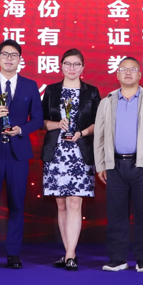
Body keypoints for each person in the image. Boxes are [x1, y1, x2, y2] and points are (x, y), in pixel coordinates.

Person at [93, 57, 143, 272]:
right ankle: (117, 259)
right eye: (123, 69)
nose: (128, 73)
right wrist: (101, 165)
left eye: (132, 69)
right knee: (116, 215)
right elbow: (99, 135)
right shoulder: (107, 102)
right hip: (115, 165)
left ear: (140, 74)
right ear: (117, 74)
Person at [0, 40, 44, 269]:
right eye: (5, 54)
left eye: (13, 55)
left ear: (20, 59)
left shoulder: (30, 85)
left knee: (17, 204)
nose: (9, 59)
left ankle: (13, 253)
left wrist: (21, 129)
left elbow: (38, 119)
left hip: (18, 153)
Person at [41, 48, 101, 270]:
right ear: (61, 66)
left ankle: (70, 254)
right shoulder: (51, 90)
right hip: (56, 152)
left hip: (80, 152)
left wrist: (81, 133)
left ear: (83, 67)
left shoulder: (91, 92)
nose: (72, 68)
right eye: (68, 63)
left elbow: (99, 122)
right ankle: (69, 252)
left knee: (75, 201)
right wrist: (57, 124)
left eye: (76, 64)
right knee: (61, 203)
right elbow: (41, 121)